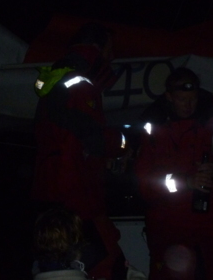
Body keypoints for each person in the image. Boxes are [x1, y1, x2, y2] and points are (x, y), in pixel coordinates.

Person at [30, 22, 129, 280]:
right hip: (76, 196)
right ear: (96, 47)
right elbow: (93, 137)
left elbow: (72, 133)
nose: (113, 56)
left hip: (56, 192)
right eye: (110, 48)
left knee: (57, 264)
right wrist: (122, 144)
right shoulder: (80, 82)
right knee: (108, 263)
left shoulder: (60, 77)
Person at [135, 67, 213, 280]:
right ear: (169, 97)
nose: (188, 105)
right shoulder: (152, 134)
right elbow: (144, 185)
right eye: (181, 99)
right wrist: (185, 182)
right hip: (170, 238)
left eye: (193, 98)